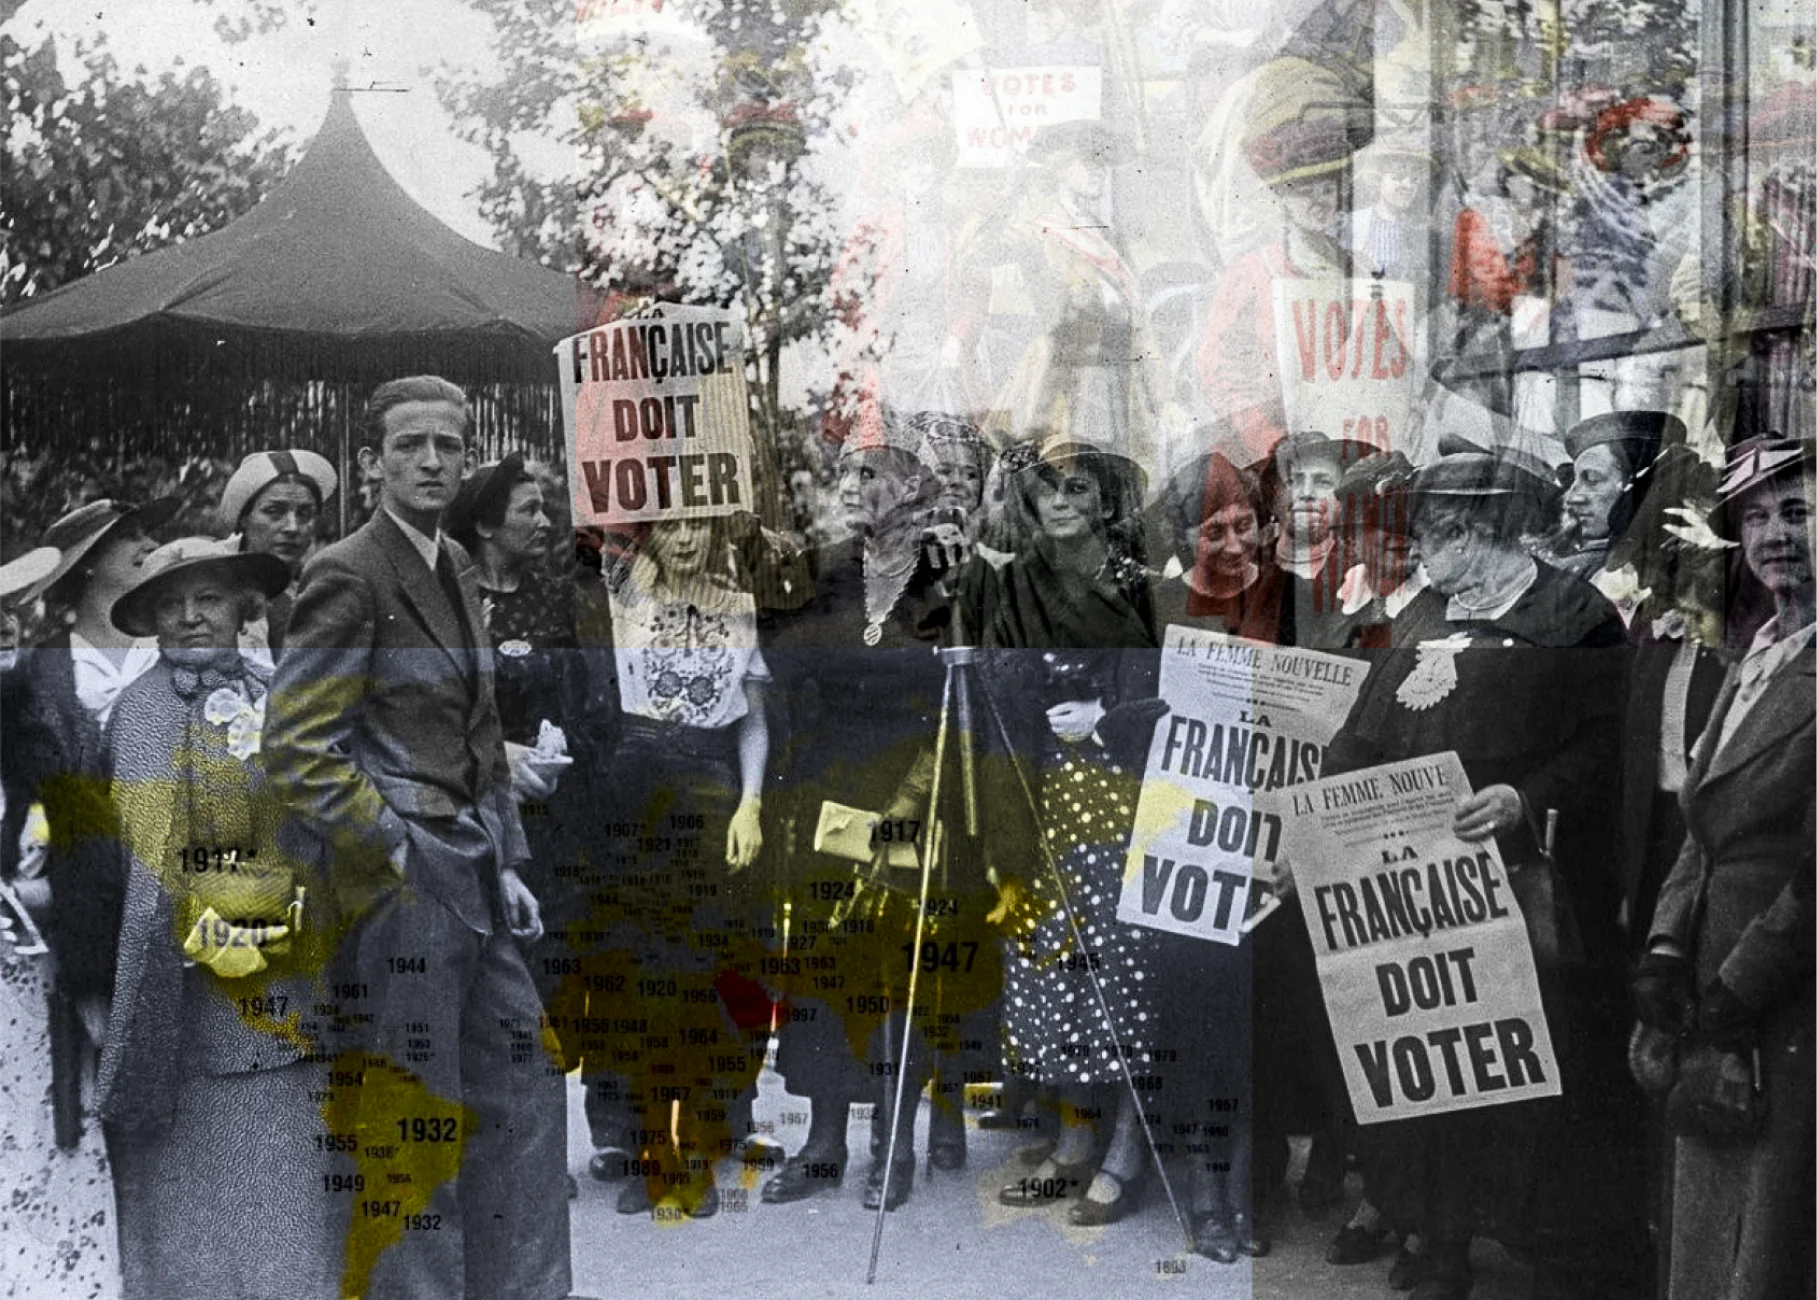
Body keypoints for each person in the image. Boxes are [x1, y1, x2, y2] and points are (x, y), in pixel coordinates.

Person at [262, 376, 584, 1300]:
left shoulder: (452, 568)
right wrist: (396, 844)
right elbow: (297, 747)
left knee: (523, 1087)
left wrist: (509, 861)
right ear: (373, 463)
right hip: (402, 889)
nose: (434, 461)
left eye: (449, 444)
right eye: (412, 445)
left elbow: (479, 737)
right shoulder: (350, 571)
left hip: (475, 875)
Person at [1316, 450, 1648, 1300]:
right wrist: (1325, 803)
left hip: (1514, 882)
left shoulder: (1575, 618)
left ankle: (1527, 1236)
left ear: (1470, 531)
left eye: (1429, 536)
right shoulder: (1429, 606)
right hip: (1410, 886)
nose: (1421, 556)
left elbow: (1609, 745)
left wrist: (1522, 796)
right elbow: (1363, 726)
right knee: (1427, 1066)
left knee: (1507, 1075)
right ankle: (1439, 1234)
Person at [95, 535, 341, 1300]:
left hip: (297, 976)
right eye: (171, 604)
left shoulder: (281, 691)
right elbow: (146, 869)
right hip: (197, 1000)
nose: (190, 616)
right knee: (198, 1224)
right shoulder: (138, 715)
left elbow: (324, 821)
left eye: (207, 598)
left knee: (292, 1215)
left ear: (244, 605)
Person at [759, 416, 986, 1214]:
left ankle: (895, 1143)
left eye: (872, 477)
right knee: (824, 970)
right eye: (849, 477)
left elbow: (959, 710)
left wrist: (911, 807)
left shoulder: (944, 583)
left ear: (915, 491)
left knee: (898, 975)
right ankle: (823, 1143)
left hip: (913, 795)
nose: (854, 491)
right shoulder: (824, 574)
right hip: (827, 799)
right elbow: (780, 670)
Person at [961, 437, 1163, 1228]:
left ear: (1105, 501)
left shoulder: (1135, 587)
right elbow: (996, 690)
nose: (1062, 501)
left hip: (1113, 800)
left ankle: (1125, 1155)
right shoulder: (1016, 587)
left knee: (1118, 982)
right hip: (1037, 798)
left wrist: (1105, 719)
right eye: (1048, 488)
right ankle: (1074, 1143)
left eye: (1078, 488)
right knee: (1052, 982)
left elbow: (1169, 697)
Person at [1636, 434, 1817, 1300]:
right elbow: (1697, 822)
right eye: (1754, 519)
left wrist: (1741, 987)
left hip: (1785, 997)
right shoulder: (1759, 652)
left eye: (1797, 511)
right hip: (1715, 985)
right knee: (1707, 1227)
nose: (1774, 534)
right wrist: (1668, 946)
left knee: (1769, 1236)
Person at [594, 513, 774, 1219]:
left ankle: (698, 1148)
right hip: (636, 784)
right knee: (641, 979)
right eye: (670, 527)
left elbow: (752, 717)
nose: (687, 539)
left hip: (708, 786)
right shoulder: (623, 598)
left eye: (699, 524)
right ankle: (650, 1153)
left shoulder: (738, 608)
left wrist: (750, 804)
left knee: (703, 977)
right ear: (647, 538)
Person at [443, 454, 608, 1195]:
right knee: (501, 978)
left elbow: (581, 695)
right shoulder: (452, 602)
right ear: (483, 523)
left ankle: (558, 1137)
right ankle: (512, 1145)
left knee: (560, 969)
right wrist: (501, 758)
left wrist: (561, 743)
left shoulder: (554, 602)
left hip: (559, 817)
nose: (544, 525)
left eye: (547, 510)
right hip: (481, 814)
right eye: (527, 512)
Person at [0, 543, 123, 1300]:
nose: (6, 635)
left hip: (33, 991)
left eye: (7, 620)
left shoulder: (33, 725)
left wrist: (47, 889)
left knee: (49, 1152)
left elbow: (71, 841)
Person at [217, 448, 337, 658]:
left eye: (304, 514)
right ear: (244, 519)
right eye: (274, 511)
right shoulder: (209, 580)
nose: (292, 527)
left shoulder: (322, 586)